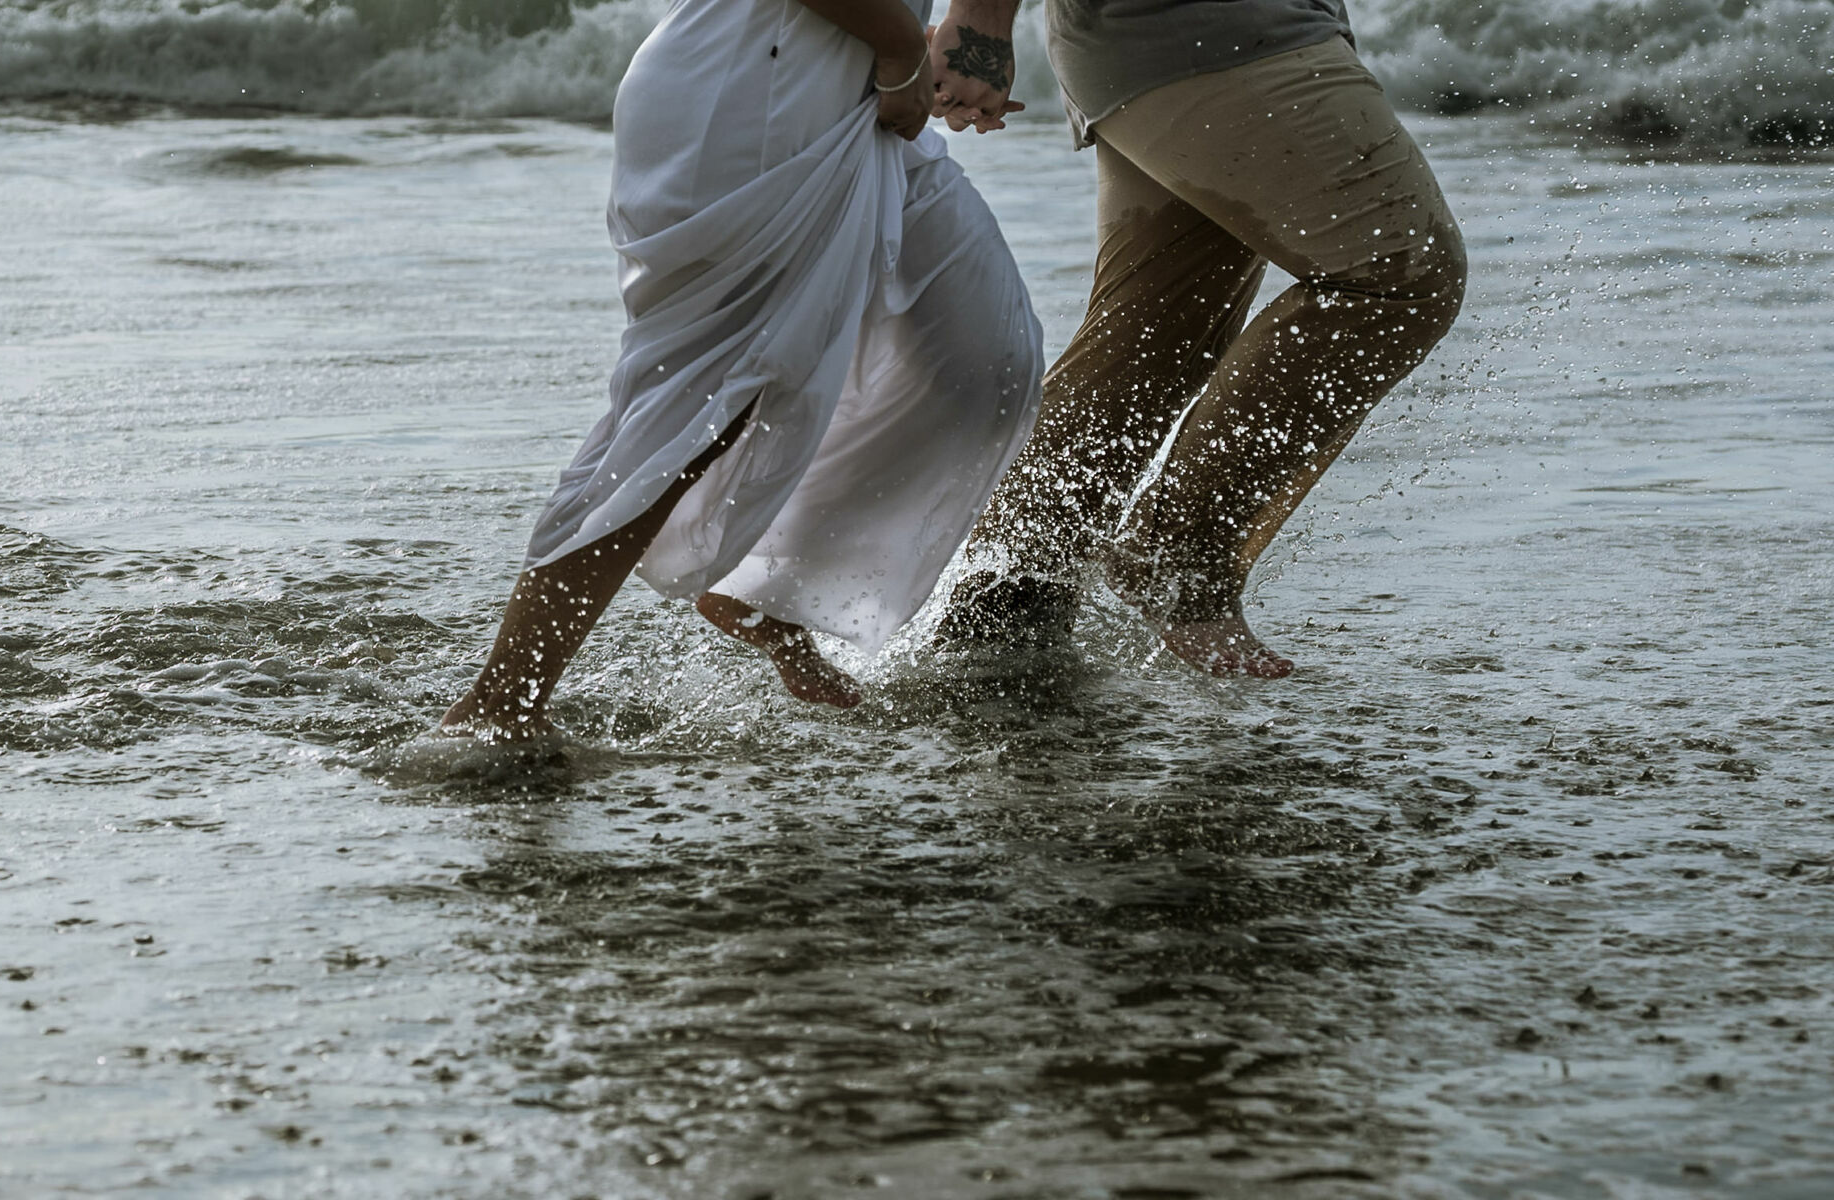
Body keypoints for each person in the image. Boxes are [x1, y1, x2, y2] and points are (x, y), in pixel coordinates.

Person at [442, 0, 1043, 738]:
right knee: (701, 411)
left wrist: (967, 31)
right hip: (754, 106)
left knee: (985, 356)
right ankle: (502, 701)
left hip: (852, 102)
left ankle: (765, 585)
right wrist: (898, 51)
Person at [929, 0, 1469, 676]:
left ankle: (998, 622)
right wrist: (980, 20)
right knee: (1401, 272)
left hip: (1190, 36)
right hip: (1206, 28)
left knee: (1154, 339)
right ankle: (1178, 559)